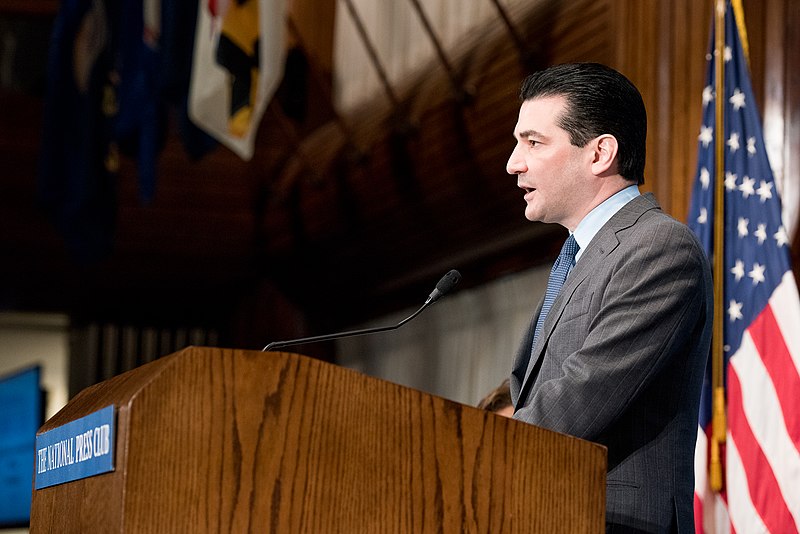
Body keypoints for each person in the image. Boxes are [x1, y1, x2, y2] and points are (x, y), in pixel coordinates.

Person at [506, 62, 713, 532]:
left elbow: (580, 397)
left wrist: (471, 452)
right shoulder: (579, 255)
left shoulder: (659, 248)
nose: (513, 162)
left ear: (600, 153)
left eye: (533, 142)